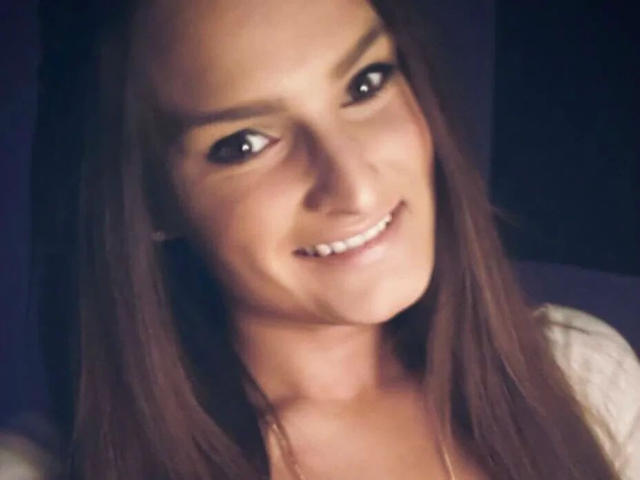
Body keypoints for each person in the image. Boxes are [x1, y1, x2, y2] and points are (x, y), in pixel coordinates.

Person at [29, 0, 639, 479]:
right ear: (150, 202)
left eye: (365, 84)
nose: (355, 187)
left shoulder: (582, 377)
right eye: (244, 143)